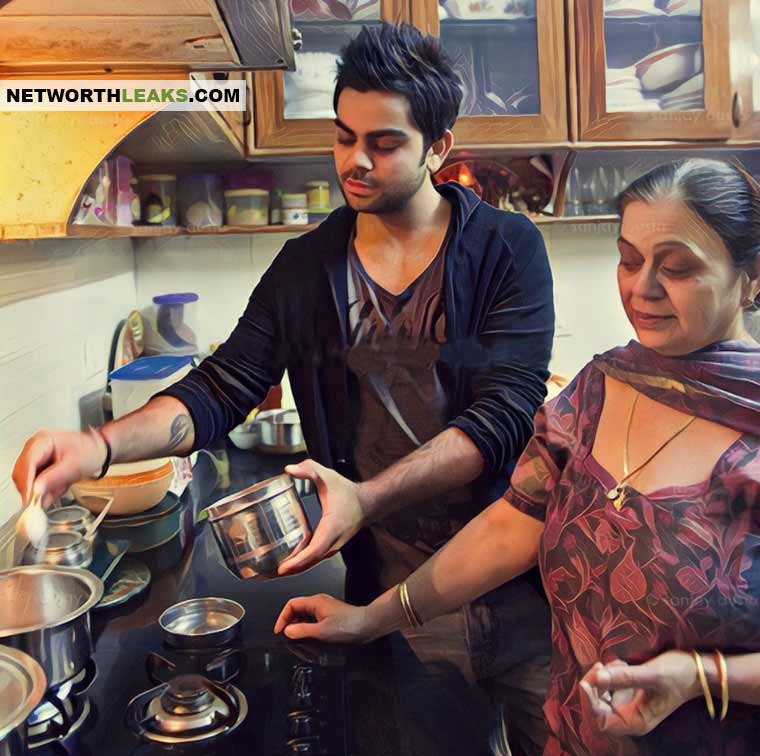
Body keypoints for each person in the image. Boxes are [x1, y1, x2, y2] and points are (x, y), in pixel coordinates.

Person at [12, 23, 555, 754]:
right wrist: (97, 445)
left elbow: (503, 420)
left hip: (519, 590)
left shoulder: (505, 248)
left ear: (439, 148)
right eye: (342, 136)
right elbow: (222, 387)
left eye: (384, 143)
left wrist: (365, 498)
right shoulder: (308, 267)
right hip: (391, 606)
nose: (354, 160)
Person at [274, 157, 760, 756]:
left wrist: (700, 679)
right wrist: (371, 618)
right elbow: (509, 529)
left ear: (752, 275)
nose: (642, 288)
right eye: (629, 260)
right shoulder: (597, 391)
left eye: (679, 268)